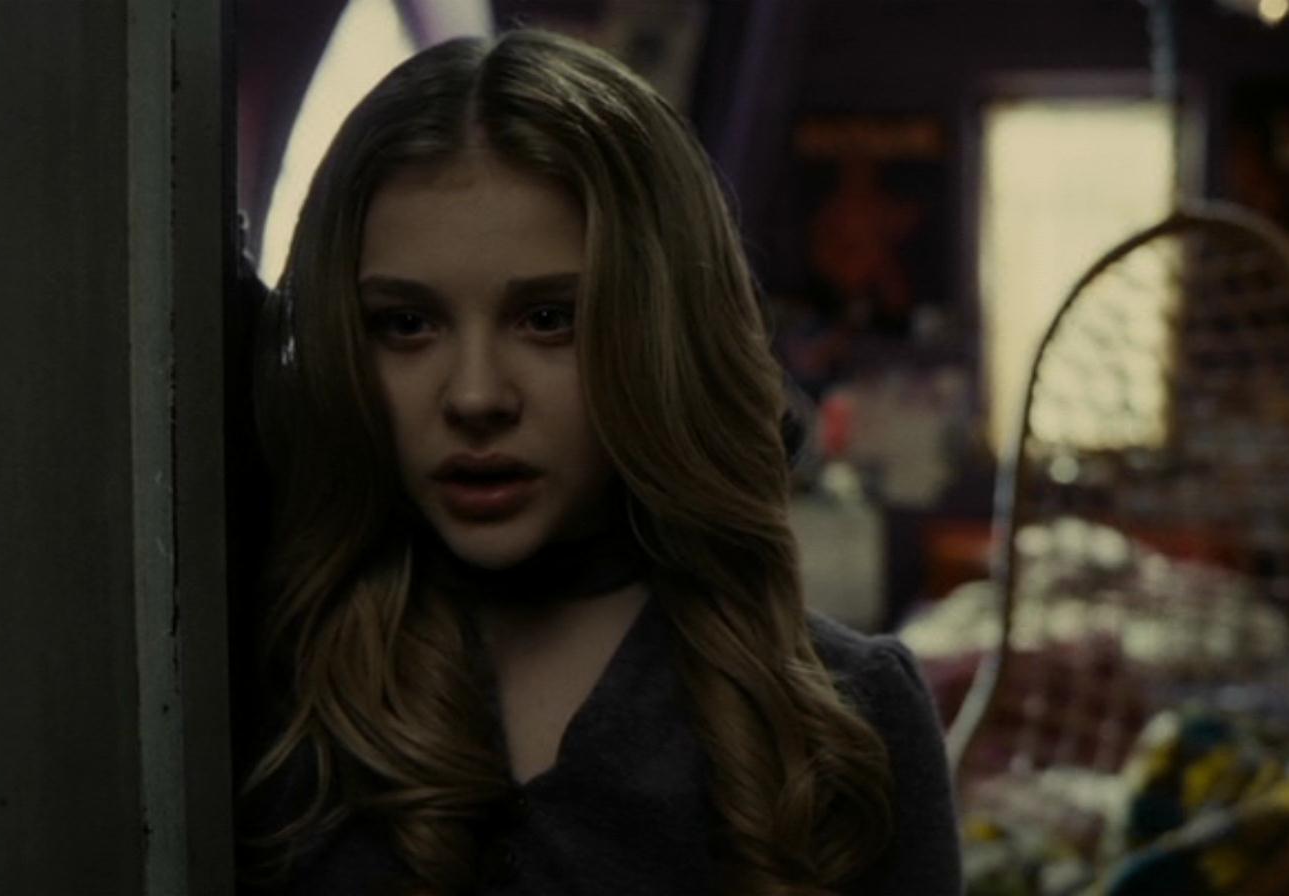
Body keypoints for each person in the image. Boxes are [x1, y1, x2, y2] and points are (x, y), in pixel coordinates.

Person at [238, 28, 962, 896]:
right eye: (406, 324)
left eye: (549, 320)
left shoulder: (852, 721)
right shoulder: (263, 703)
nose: (475, 396)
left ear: (661, 333)